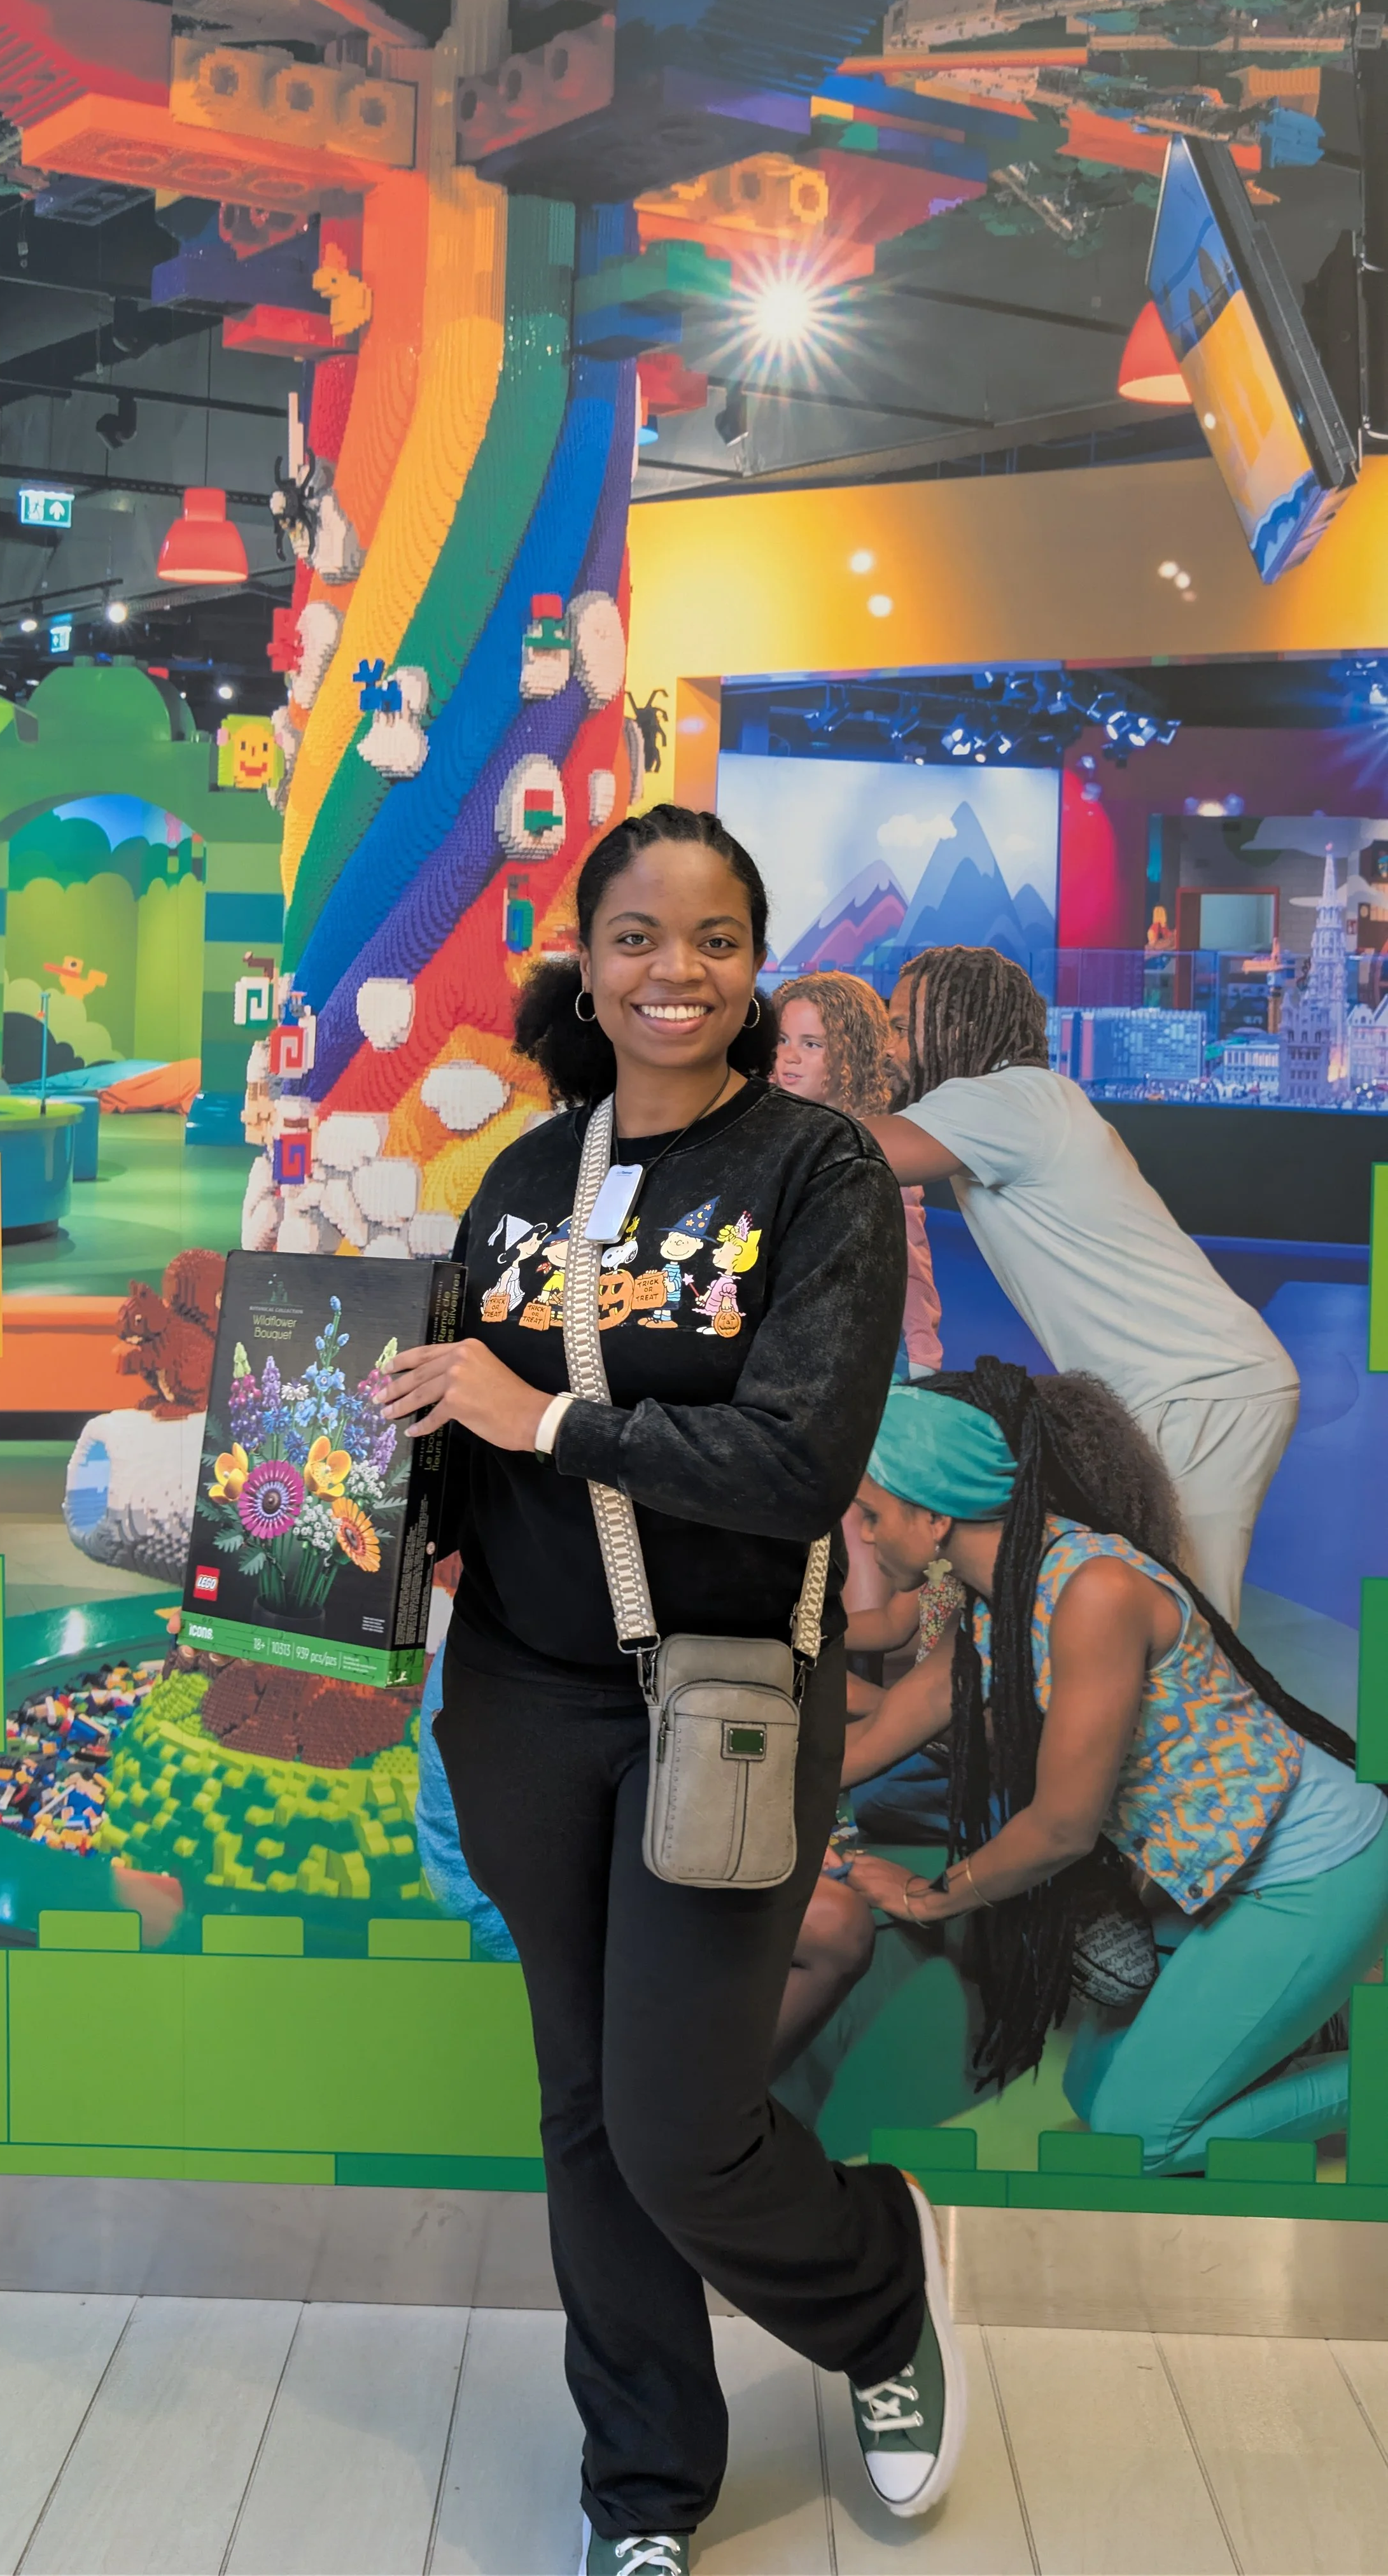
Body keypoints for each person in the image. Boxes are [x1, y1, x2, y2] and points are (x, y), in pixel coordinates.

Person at [381, 802, 965, 2569]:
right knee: (581, 2106)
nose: (673, 972)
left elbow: (793, 1464)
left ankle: (874, 2286)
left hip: (721, 1701)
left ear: (754, 962)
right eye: (637, 935)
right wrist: (297, 1490)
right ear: (587, 953)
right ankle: (642, 2490)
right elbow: (451, 1452)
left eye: (713, 939)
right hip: (519, 1702)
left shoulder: (816, 1172)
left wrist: (545, 1414)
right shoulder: (521, 1180)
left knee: (676, 2125)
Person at [835, 1361, 1388, 2174]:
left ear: (933, 1515)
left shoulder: (1092, 1589)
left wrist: (925, 1897)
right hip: (1219, 1874)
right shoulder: (1000, 1596)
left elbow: (1061, 1827)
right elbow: (883, 1730)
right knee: (1097, 2101)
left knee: (1145, 2140)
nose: (866, 1531)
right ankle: (1282, 2035)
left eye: (872, 1511)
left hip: (1310, 1871)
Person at [864, 946, 1299, 1626]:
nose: (888, 1046)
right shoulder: (1023, 1100)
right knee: (1143, 1602)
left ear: (954, 1024)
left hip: (1200, 1387)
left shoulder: (1004, 1100)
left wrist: (722, 1111)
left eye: (899, 1024)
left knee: (1182, 1618)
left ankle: (1211, 1734)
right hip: (1179, 1388)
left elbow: (850, 1152)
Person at [774, 970, 943, 1379]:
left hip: (852, 1353)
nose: (790, 1056)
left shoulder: (878, 1147)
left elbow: (909, 1259)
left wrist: (922, 1355)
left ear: (851, 1054)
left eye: (812, 1044)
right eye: (782, 1041)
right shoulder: (763, 1133)